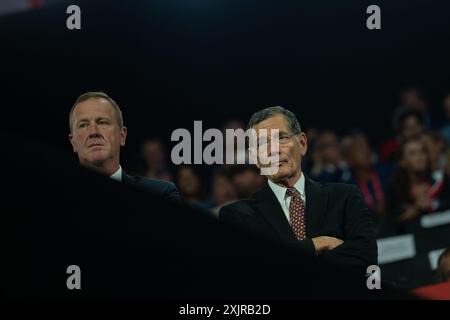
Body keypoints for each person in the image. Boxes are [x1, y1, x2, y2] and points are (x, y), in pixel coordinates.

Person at [219, 106, 377, 269]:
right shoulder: (238, 216)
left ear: (302, 144)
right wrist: (317, 244)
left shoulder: (345, 196)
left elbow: (365, 260)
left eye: (281, 138)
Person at [68, 91, 181, 202]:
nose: (93, 131)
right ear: (73, 142)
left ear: (122, 136)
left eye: (102, 122)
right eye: (83, 125)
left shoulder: (161, 193)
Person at [385, 137, 450, 226]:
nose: (420, 157)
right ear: (402, 161)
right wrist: (415, 209)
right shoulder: (395, 189)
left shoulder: (441, 180)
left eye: (422, 151)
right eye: (413, 153)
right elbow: (392, 219)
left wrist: (433, 204)